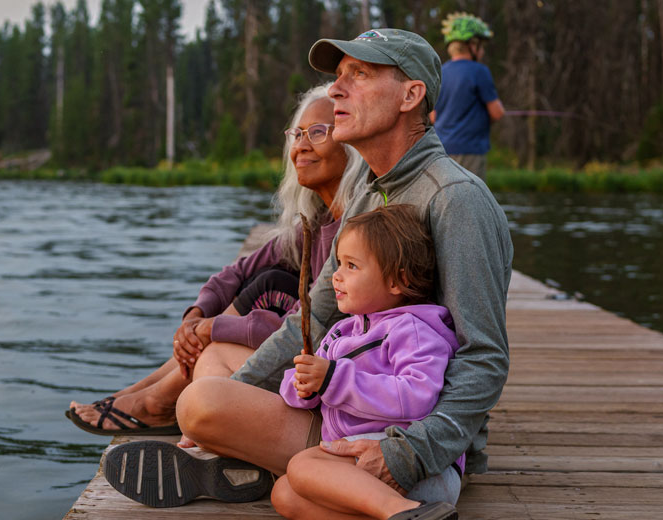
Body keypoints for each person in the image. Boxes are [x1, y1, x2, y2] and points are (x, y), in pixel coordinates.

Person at [103, 27, 513, 510]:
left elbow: (484, 357)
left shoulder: (455, 199)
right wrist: (241, 396)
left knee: (198, 405)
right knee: (215, 371)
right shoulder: (366, 191)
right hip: (350, 393)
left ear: (411, 95)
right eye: (338, 76)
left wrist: (412, 452)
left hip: (403, 431)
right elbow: (318, 316)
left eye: (359, 74)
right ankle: (247, 460)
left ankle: (257, 462)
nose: (337, 89)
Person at [66, 82, 363, 438]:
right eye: (297, 134)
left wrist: (212, 328)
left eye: (317, 132)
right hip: (302, 363)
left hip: (332, 381)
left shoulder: (355, 232)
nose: (300, 145)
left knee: (216, 350)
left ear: (352, 141)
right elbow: (237, 272)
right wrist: (195, 315)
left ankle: (158, 404)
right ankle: (145, 393)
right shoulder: (316, 222)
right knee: (268, 280)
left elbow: (317, 332)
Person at [272, 204, 462, 520]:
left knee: (302, 466)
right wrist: (304, 385)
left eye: (352, 266)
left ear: (396, 281)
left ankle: (402, 511)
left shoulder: (412, 329)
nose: (337, 275)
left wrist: (333, 379)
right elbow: (309, 390)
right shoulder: (342, 332)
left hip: (413, 465)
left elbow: (417, 396)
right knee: (285, 494)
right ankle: (414, 516)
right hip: (358, 460)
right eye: (339, 263)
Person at [429, 13, 504, 178]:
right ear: (472, 45)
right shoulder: (479, 71)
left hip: (441, 150)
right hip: (470, 150)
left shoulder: (440, 72)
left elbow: (432, 116)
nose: (482, 51)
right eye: (481, 46)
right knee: (471, 198)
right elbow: (497, 113)